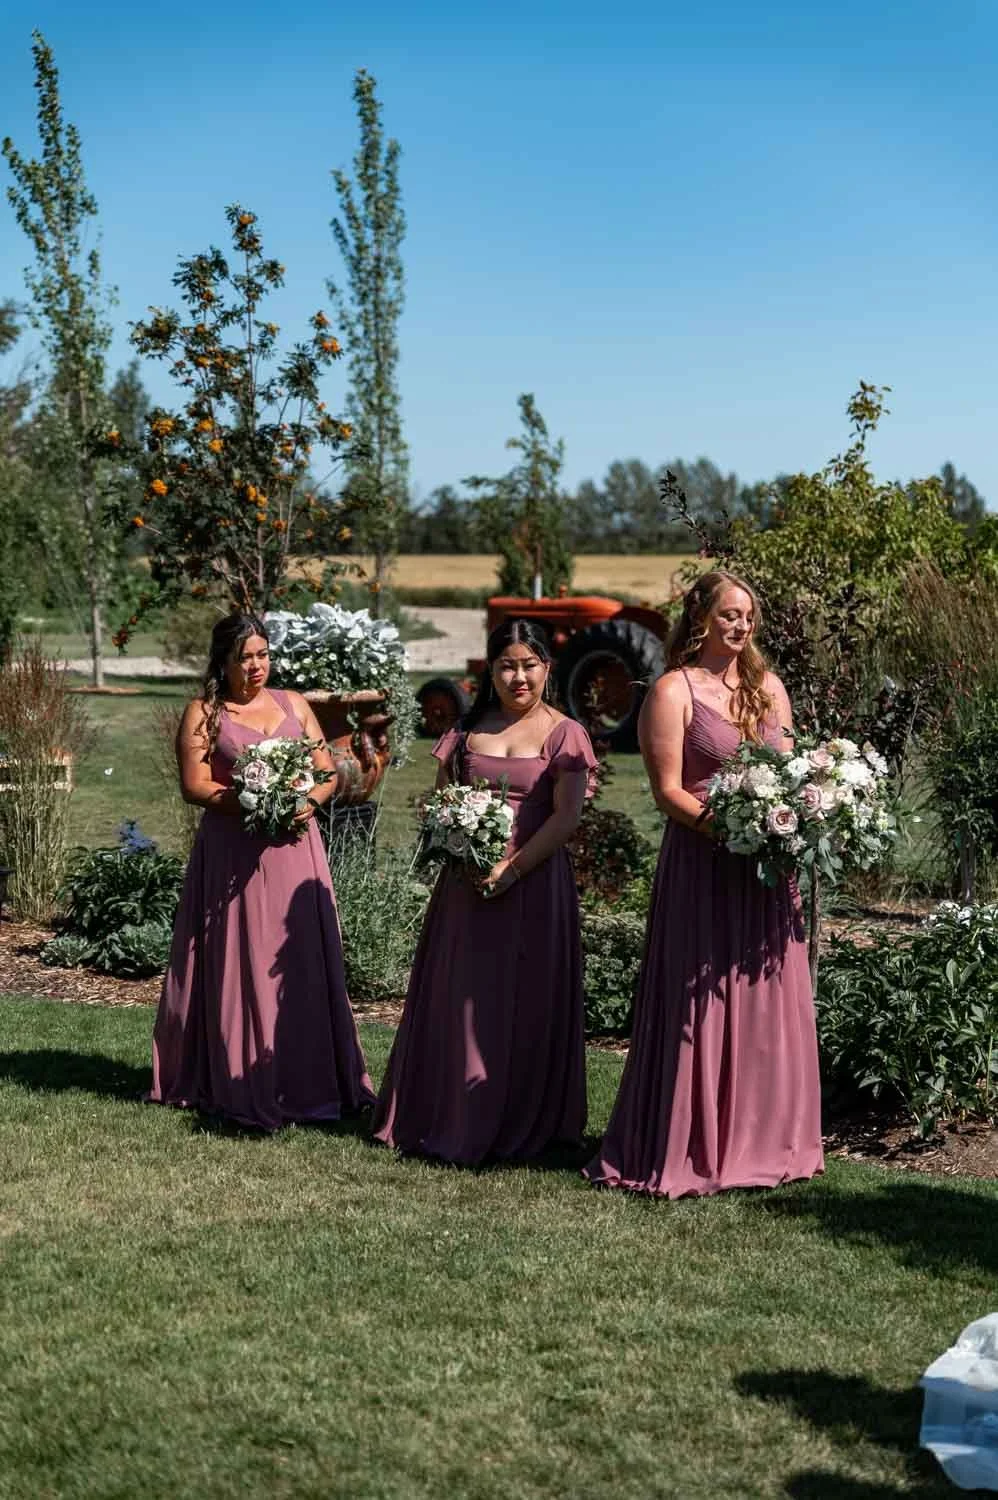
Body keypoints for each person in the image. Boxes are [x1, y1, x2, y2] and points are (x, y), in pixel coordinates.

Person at [584, 571, 823, 1197]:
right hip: (705, 864)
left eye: (747, 616)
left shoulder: (770, 688)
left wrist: (801, 823)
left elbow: (793, 773)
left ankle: (769, 1140)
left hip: (770, 873)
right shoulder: (672, 691)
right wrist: (734, 833)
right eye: (728, 615)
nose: (740, 626)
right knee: (703, 1000)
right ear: (700, 619)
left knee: (767, 997)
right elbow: (667, 793)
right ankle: (694, 1142)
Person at [372, 619, 597, 1164]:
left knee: (525, 1002)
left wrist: (513, 869)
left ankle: (522, 1122)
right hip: (466, 887)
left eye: (529, 665)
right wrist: (461, 851)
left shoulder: (566, 733)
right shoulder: (469, 731)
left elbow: (567, 818)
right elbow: (439, 804)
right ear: (490, 670)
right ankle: (446, 1113)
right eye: (506, 665)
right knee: (462, 999)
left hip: (535, 886)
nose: (519, 676)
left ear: (547, 668)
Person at [149, 613, 374, 1130]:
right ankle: (236, 1073)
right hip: (235, 853)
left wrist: (304, 803)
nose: (255, 666)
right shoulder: (203, 713)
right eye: (244, 658)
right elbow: (195, 785)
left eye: (262, 655)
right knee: (241, 956)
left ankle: (311, 1077)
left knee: (297, 960)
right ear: (223, 662)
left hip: (296, 850)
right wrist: (253, 802)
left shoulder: (293, 703)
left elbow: (327, 773)